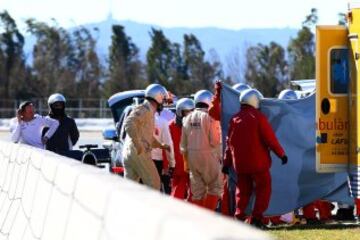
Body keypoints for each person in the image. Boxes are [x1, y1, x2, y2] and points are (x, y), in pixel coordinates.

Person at [223, 89, 288, 228]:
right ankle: (256, 219)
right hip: (258, 164)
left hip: (240, 165)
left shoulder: (234, 119)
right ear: (254, 101)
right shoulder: (258, 117)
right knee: (264, 189)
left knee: (242, 191)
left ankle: (239, 217)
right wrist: (281, 154)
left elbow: (229, 143)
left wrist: (226, 162)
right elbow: (270, 139)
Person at [180, 90, 223, 210]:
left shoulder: (187, 118)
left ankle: (199, 220)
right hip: (208, 155)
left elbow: (183, 144)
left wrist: (186, 162)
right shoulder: (210, 117)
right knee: (215, 187)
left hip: (191, 158)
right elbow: (214, 141)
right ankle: (208, 217)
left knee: (197, 191)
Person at [122, 84, 170, 190]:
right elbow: (129, 123)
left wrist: (161, 146)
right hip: (139, 153)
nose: (163, 103)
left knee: (130, 189)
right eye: (163, 99)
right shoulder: (145, 109)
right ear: (158, 97)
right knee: (155, 183)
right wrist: (138, 145)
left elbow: (147, 137)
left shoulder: (149, 112)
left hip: (129, 152)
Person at [169, 98, 195, 200]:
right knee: (177, 192)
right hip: (178, 165)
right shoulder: (170, 126)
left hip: (192, 163)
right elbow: (167, 147)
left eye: (192, 111)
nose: (190, 114)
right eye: (187, 112)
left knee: (194, 192)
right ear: (180, 112)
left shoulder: (194, 126)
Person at [152, 112, 175, 194]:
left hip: (143, 158)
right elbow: (168, 145)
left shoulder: (138, 119)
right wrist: (172, 164)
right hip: (159, 159)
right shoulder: (164, 120)